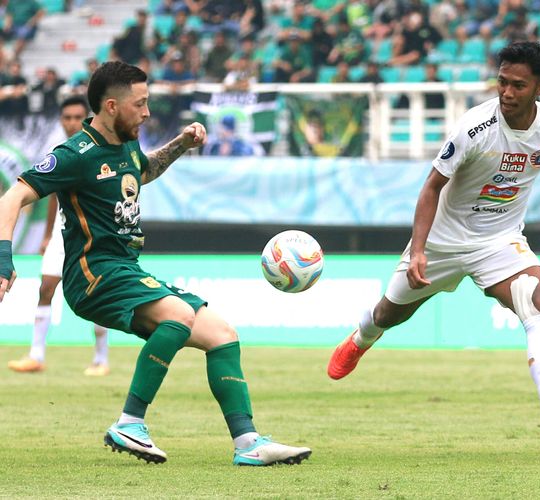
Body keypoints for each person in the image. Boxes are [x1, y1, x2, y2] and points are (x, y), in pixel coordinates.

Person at [0, 61, 310, 466]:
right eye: (141, 104)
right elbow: (12, 197)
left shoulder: (127, 142)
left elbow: (141, 173)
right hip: (93, 275)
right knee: (179, 316)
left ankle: (247, 441)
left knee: (222, 333)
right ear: (111, 106)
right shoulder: (75, 154)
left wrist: (180, 144)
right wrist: (5, 259)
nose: (147, 113)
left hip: (126, 269)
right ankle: (130, 422)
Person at [327, 41, 540, 446]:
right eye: (502, 82)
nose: (506, 92)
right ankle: (361, 338)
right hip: (442, 241)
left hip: (499, 240)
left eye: (518, 85)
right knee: (390, 313)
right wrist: (419, 250)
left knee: (534, 299)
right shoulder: (474, 127)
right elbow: (432, 186)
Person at [7, 95, 110, 376]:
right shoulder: (61, 153)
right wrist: (47, 234)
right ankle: (36, 355)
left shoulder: (99, 150)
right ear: (61, 121)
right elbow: (53, 195)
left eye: (78, 117)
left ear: (86, 118)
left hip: (92, 237)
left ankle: (101, 359)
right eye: (67, 118)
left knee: (99, 295)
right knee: (46, 288)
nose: (72, 123)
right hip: (60, 235)